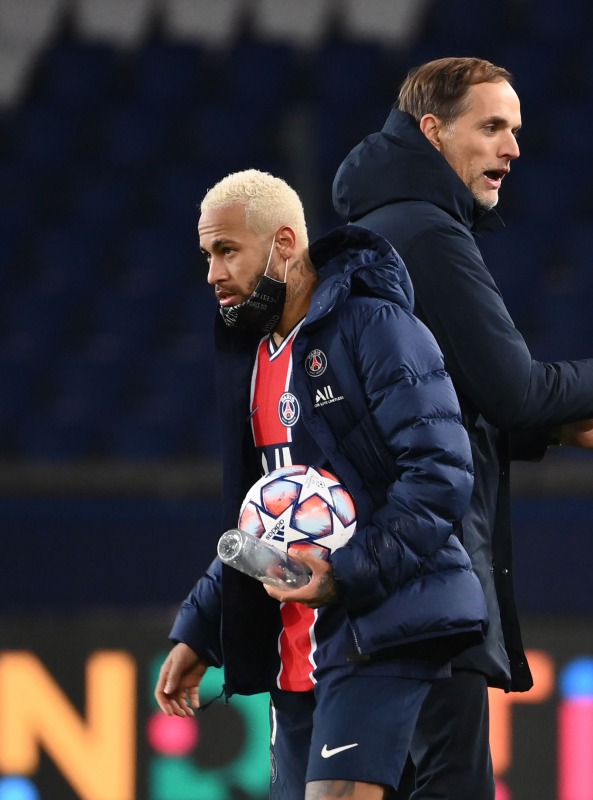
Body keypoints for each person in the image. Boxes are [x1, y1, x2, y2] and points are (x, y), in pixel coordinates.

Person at [332, 56, 593, 798]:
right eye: (491, 127)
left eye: (514, 131)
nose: (513, 149)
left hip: (381, 564)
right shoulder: (427, 234)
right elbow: (514, 389)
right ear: (433, 131)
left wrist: (562, 429)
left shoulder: (373, 227)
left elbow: (435, 399)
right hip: (429, 568)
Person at [154, 169, 488, 800]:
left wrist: (349, 571)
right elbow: (268, 514)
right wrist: (203, 626)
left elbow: (443, 471)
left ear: (283, 243)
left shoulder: (375, 327)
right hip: (297, 649)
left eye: (227, 251)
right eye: (207, 256)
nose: (212, 275)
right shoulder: (254, 360)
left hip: (380, 621)